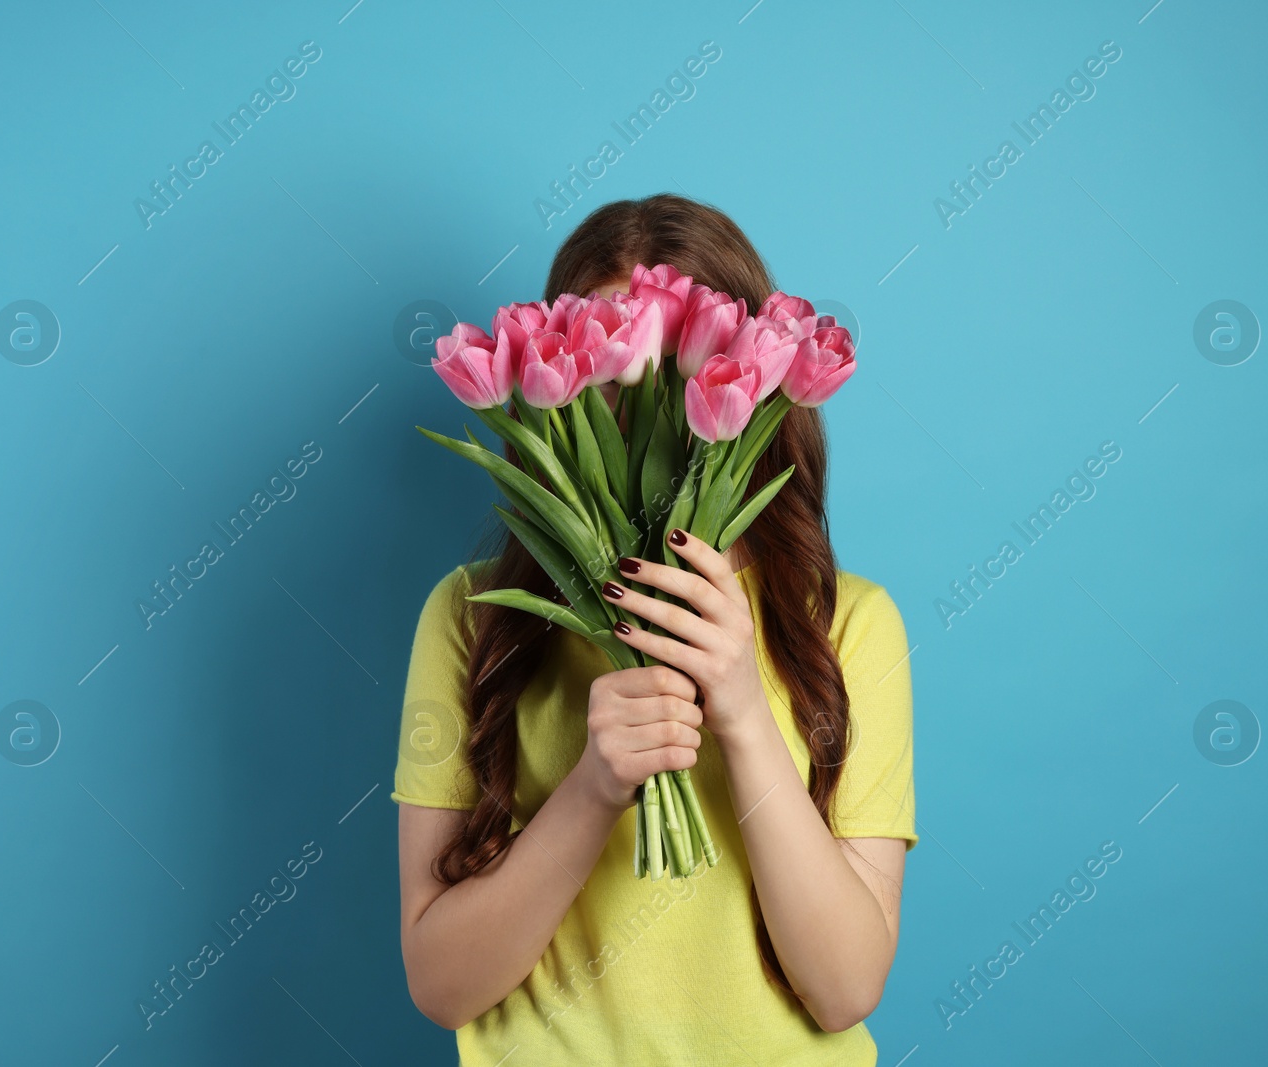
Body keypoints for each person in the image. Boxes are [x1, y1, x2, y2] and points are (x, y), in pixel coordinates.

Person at [393, 193, 917, 1065]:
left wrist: (745, 712)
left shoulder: (850, 625)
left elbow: (846, 988)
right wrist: (596, 783)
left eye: (682, 364)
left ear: (757, 379)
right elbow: (441, 985)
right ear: (548, 378)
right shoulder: (472, 619)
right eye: (610, 367)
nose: (650, 414)